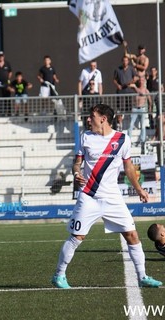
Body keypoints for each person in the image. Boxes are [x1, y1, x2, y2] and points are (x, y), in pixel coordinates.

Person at [51, 103, 162, 289]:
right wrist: (77, 174)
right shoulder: (85, 137)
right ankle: (59, 275)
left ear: (103, 119)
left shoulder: (122, 139)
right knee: (76, 237)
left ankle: (142, 276)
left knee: (132, 235)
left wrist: (139, 189)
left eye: (91, 116)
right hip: (89, 196)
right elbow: (77, 163)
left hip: (113, 197)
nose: (88, 119)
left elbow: (128, 168)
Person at [113, 56, 138, 131]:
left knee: (130, 108)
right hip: (121, 92)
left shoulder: (131, 69)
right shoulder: (118, 69)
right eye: (124, 61)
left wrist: (131, 82)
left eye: (126, 61)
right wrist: (118, 85)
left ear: (128, 61)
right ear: (122, 61)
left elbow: (136, 77)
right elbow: (114, 79)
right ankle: (119, 124)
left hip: (129, 91)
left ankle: (130, 124)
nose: (125, 62)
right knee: (120, 109)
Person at [127, 77, 152, 148]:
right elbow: (128, 84)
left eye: (142, 80)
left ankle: (142, 141)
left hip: (142, 108)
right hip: (135, 108)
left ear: (144, 82)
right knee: (131, 124)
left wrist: (150, 107)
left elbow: (148, 99)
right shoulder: (135, 88)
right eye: (140, 80)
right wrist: (133, 80)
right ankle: (128, 141)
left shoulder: (145, 90)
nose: (141, 82)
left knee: (143, 125)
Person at [0, 51, 12, 116]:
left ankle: (8, 112)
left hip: (6, 83)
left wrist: (8, 79)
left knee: (7, 98)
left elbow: (10, 72)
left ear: (4, 56)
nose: (1, 57)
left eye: (2, 56)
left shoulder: (7, 64)